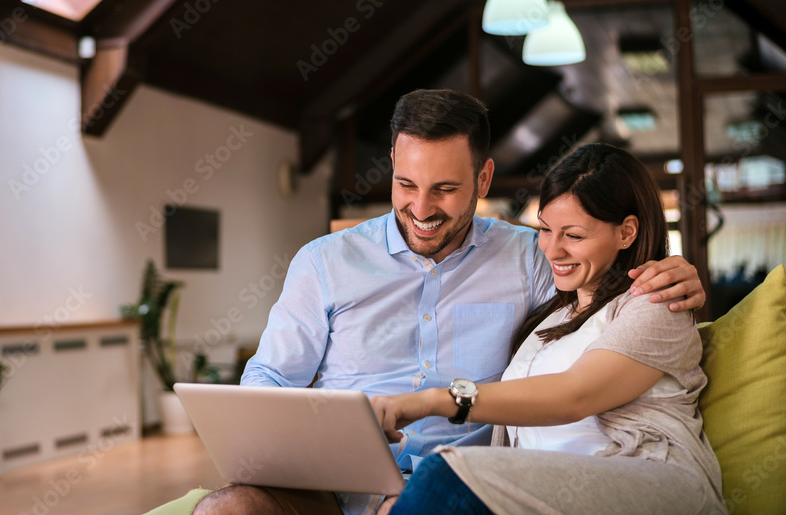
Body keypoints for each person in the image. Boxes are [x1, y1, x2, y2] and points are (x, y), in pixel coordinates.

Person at [193, 89, 705, 515]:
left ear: (483, 179)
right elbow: (271, 379)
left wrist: (671, 270)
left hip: (461, 486)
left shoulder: (530, 256)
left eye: (444, 189)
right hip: (339, 488)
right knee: (227, 509)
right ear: (392, 163)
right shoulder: (324, 262)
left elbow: (604, 301)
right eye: (406, 184)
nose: (420, 208)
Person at [372, 143, 725, 515]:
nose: (552, 251)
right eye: (544, 229)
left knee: (444, 474)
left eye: (573, 236)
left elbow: (574, 395)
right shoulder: (554, 315)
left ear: (626, 232)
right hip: (551, 493)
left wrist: (431, 401)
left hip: (649, 481)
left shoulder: (656, 305)